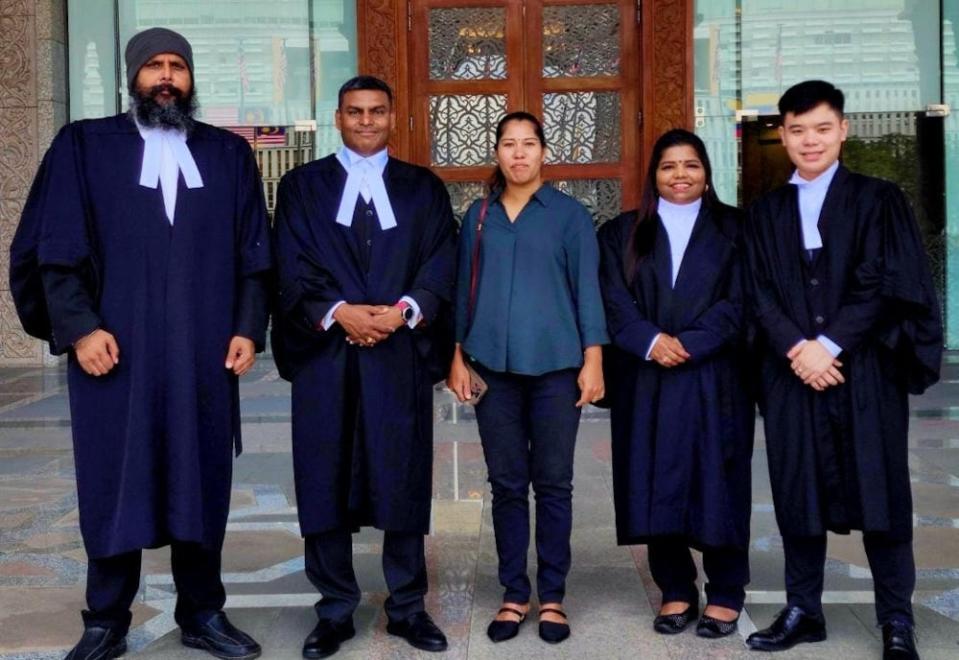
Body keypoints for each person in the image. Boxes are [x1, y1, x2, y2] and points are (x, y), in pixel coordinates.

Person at [11, 27, 272, 660]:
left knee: (200, 480)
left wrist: (246, 327)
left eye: (176, 67)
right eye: (153, 66)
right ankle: (105, 619)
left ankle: (203, 614)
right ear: (133, 77)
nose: (165, 77)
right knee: (114, 478)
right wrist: (78, 329)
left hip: (202, 356)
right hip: (113, 354)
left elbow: (255, 257)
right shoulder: (83, 147)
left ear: (190, 78)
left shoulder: (226, 155)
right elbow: (54, 250)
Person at [742, 80, 942, 659]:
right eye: (797, 129)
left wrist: (828, 345)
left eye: (822, 128)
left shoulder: (879, 200)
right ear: (782, 133)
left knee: (881, 493)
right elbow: (757, 293)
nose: (810, 141)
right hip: (791, 376)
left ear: (844, 130)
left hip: (864, 372)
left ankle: (895, 620)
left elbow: (887, 283)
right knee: (797, 489)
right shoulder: (765, 213)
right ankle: (804, 609)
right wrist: (796, 349)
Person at [271, 76, 457, 658]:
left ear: (393, 117)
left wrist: (404, 312)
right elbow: (290, 263)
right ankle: (333, 610)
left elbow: (440, 260)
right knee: (324, 478)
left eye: (378, 111)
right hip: (326, 353)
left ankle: (406, 606)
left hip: (397, 356)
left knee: (402, 477)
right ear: (338, 117)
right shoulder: (303, 186)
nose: (367, 121)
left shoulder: (422, 188)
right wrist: (338, 312)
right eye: (356, 112)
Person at [447, 111, 608, 645]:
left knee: (554, 484)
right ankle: (514, 593)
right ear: (496, 153)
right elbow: (462, 292)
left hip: (557, 369)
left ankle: (554, 596)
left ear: (544, 152)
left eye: (528, 144)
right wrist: (457, 355)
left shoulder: (568, 216)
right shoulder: (478, 216)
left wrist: (594, 360)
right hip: (493, 369)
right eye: (509, 144)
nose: (519, 153)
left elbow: (588, 289)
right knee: (507, 485)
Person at [597, 129, 754, 639]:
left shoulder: (737, 229)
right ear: (654, 174)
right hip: (647, 376)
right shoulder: (623, 233)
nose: (680, 175)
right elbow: (612, 298)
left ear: (707, 172)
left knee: (720, 479)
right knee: (655, 478)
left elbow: (742, 299)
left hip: (714, 376)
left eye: (691, 164)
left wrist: (691, 342)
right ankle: (676, 588)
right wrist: (648, 340)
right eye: (668, 166)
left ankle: (727, 591)